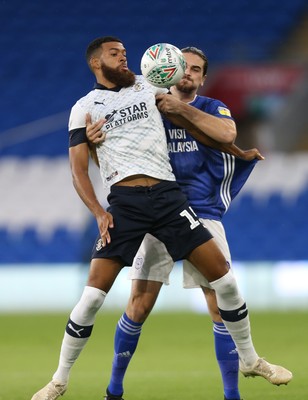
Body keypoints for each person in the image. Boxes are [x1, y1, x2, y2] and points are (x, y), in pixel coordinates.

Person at [31, 36, 292, 400]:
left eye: (125, 53)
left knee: (226, 284)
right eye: (115, 54)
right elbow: (79, 169)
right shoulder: (84, 108)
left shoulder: (149, 84)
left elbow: (203, 125)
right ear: (96, 63)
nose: (124, 58)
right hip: (125, 205)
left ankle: (249, 360)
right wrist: (98, 210)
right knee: (93, 298)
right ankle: (59, 381)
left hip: (171, 200)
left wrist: (236, 150)